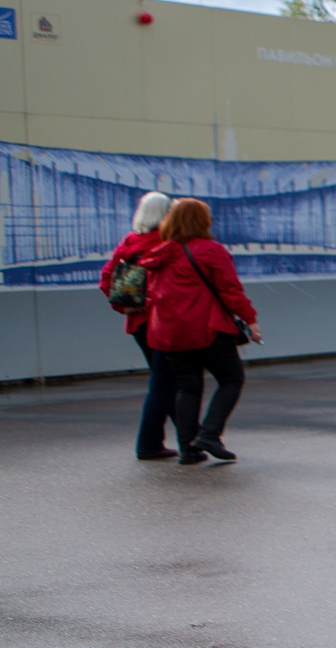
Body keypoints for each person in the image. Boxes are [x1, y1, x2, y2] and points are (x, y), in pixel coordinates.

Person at [137, 197, 259, 465]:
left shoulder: (159, 255)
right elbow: (230, 290)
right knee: (231, 379)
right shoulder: (211, 251)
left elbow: (152, 296)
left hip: (169, 334)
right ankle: (210, 434)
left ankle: (188, 449)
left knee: (187, 389)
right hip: (206, 329)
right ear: (203, 221)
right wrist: (250, 320)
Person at [99, 190, 180, 459]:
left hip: (138, 322)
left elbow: (106, 279)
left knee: (165, 380)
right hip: (165, 321)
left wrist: (128, 305)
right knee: (165, 382)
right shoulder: (170, 241)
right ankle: (150, 443)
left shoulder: (129, 242)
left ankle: (192, 435)